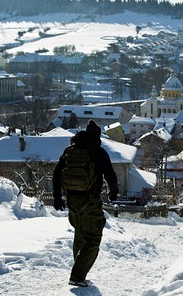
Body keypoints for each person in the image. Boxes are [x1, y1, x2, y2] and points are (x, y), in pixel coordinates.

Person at [52, 119, 119, 287]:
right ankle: (77, 276)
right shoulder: (98, 152)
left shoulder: (70, 150)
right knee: (93, 238)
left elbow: (56, 173)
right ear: (97, 136)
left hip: (72, 201)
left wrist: (57, 197)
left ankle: (78, 270)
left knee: (80, 234)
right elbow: (110, 174)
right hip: (90, 201)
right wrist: (113, 191)